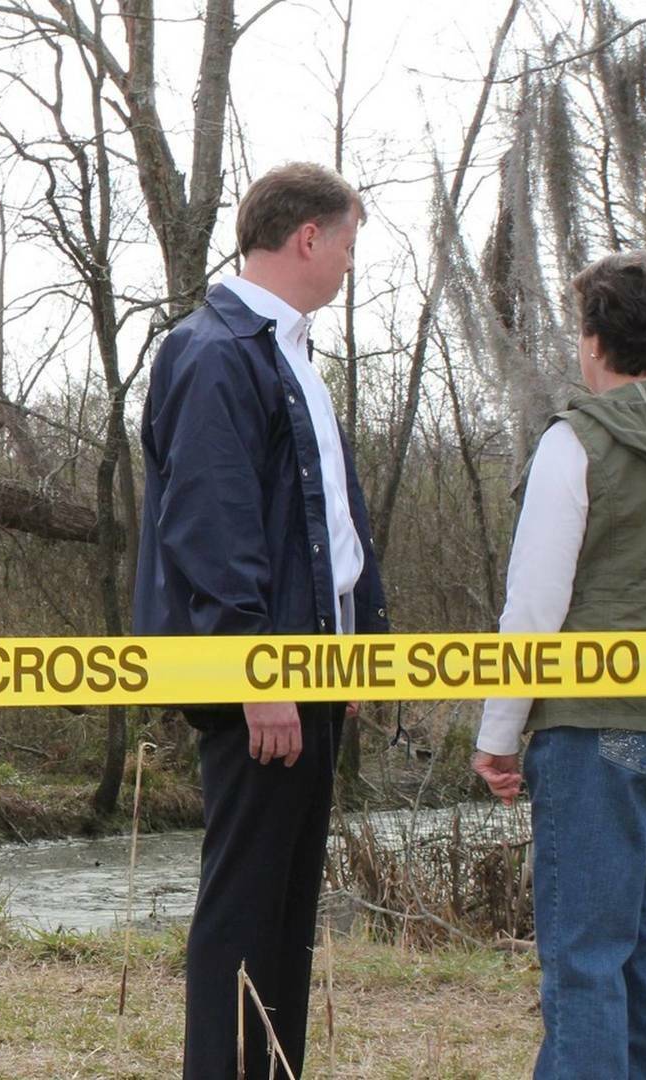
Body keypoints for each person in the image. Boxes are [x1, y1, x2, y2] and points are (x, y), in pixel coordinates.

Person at [131, 162, 388, 1078]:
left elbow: (331, 532)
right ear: (308, 237)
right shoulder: (212, 352)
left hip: (314, 673)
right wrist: (257, 676)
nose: (352, 264)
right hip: (260, 681)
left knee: (285, 908)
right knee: (244, 905)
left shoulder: (290, 355)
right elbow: (212, 528)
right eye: (349, 245)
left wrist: (360, 661)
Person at [472, 250, 646, 1079]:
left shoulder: (576, 443)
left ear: (594, 342)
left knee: (588, 958)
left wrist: (498, 733)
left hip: (598, 729)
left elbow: (533, 610)